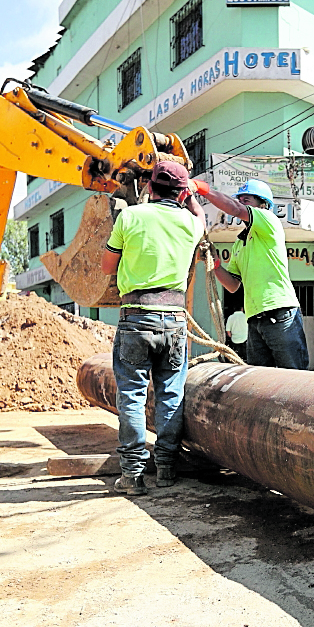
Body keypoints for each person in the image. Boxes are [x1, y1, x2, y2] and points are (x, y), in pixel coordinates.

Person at [102, 160, 205, 495]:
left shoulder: (130, 216)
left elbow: (107, 266)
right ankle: (166, 471)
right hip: (174, 320)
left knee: (131, 395)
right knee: (171, 395)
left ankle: (132, 476)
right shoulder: (191, 223)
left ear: (149, 187)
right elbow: (201, 218)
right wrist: (191, 197)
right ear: (181, 192)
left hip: (135, 316)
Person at [191, 178, 309, 369]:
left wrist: (203, 190)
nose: (241, 203)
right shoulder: (239, 243)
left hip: (280, 313)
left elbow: (235, 209)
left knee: (294, 378)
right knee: (261, 381)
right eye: (240, 199)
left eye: (248, 199)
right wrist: (216, 263)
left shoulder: (268, 220)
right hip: (255, 320)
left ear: (263, 205)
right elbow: (232, 285)